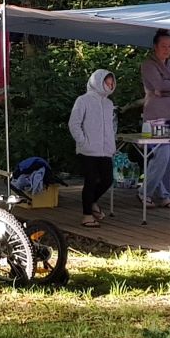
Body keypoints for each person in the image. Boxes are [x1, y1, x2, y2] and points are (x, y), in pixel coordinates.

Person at [139, 31, 170, 207]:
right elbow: (158, 85)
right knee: (162, 153)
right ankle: (145, 191)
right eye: (163, 46)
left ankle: (165, 193)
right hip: (155, 116)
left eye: (169, 46)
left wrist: (167, 88)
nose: (167, 50)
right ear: (155, 47)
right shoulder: (148, 65)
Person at [68, 69, 118, 228]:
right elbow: (74, 123)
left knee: (108, 179)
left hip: (106, 150)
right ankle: (87, 215)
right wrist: (83, 141)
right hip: (88, 150)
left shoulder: (109, 104)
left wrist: (111, 141)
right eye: (107, 83)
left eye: (112, 83)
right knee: (91, 181)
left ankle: (92, 202)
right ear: (98, 81)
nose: (110, 86)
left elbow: (112, 126)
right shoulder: (83, 100)